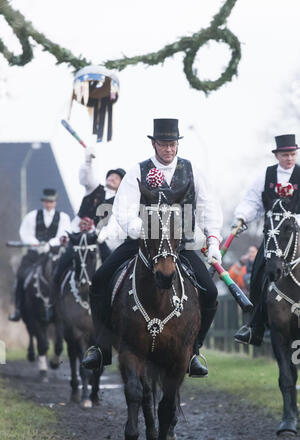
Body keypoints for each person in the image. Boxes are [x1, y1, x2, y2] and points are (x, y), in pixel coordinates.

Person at [82, 118, 223, 377]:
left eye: (172, 144)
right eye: (163, 144)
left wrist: (213, 239)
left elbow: (208, 207)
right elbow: (123, 210)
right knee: (99, 281)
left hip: (182, 245)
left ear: (177, 144)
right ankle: (100, 346)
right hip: (142, 243)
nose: (168, 149)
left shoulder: (193, 171)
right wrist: (144, 230)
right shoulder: (138, 171)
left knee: (211, 293)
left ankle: (194, 351)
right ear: (154, 144)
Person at [233, 134, 300, 346]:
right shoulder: (266, 176)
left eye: (292, 154)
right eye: (285, 154)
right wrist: (242, 216)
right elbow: (252, 201)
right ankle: (256, 326)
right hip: (273, 239)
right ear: (277, 155)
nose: (289, 158)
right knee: (258, 273)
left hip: (298, 236)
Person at [52, 148, 126, 287]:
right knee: (63, 263)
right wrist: (88, 161)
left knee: (110, 264)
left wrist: (100, 234)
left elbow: (114, 225)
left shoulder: (120, 202)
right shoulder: (94, 188)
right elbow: (86, 178)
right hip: (78, 236)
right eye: (111, 175)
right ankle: (52, 301)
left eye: (117, 177)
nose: (112, 178)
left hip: (98, 238)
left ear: (121, 184)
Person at [9, 188, 71, 321]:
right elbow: (25, 233)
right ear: (43, 202)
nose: (49, 204)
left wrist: (50, 244)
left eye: (51, 202)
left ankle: (66, 307)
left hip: (55, 255)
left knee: (67, 275)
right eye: (46, 201)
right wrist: (36, 243)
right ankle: (18, 309)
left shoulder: (63, 218)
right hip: (34, 254)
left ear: (55, 202)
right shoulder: (32, 216)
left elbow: (63, 234)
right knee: (21, 275)